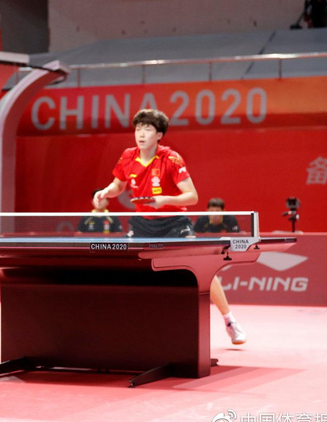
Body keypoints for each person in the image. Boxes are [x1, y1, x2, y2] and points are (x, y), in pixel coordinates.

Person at [93, 109, 246, 345]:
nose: (141, 134)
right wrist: (106, 192)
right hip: (142, 223)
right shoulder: (128, 156)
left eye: (147, 129)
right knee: (123, 264)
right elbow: (118, 185)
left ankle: (229, 321)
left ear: (159, 135)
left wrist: (164, 200)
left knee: (203, 268)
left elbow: (192, 196)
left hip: (174, 222)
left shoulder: (171, 159)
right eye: (138, 129)